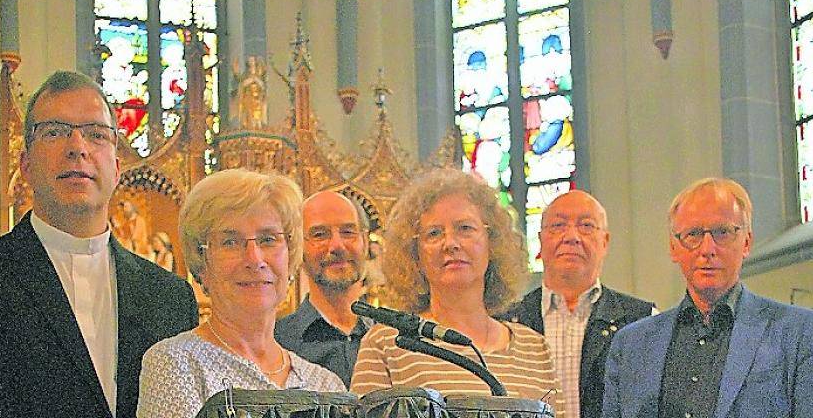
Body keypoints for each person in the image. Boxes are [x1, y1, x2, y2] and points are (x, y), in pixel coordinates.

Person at [0, 71, 199, 418]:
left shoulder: (170, 297)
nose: (77, 147)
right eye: (54, 132)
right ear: (25, 165)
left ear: (116, 167)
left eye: (96, 134)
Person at [602, 177, 813, 418]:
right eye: (693, 234)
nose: (707, 249)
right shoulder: (631, 345)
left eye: (722, 232)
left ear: (746, 242)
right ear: (673, 247)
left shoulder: (796, 332)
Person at [350, 169, 565, 415]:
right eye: (434, 233)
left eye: (465, 228)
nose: (450, 243)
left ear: (492, 242)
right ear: (414, 253)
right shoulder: (387, 343)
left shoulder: (536, 348)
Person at [138, 169, 344, 418]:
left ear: (290, 256)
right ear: (202, 263)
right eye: (230, 242)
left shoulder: (326, 384)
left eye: (268, 239)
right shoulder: (176, 364)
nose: (255, 259)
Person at [502, 190, 654, 418]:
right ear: (541, 240)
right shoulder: (505, 322)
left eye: (586, 226)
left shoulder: (642, 321)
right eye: (558, 226)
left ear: (605, 242)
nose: (571, 236)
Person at [276, 190, 373, 387]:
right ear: (297, 248)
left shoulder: (395, 338)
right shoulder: (277, 343)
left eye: (348, 232)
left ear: (365, 242)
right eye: (319, 235)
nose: (337, 246)